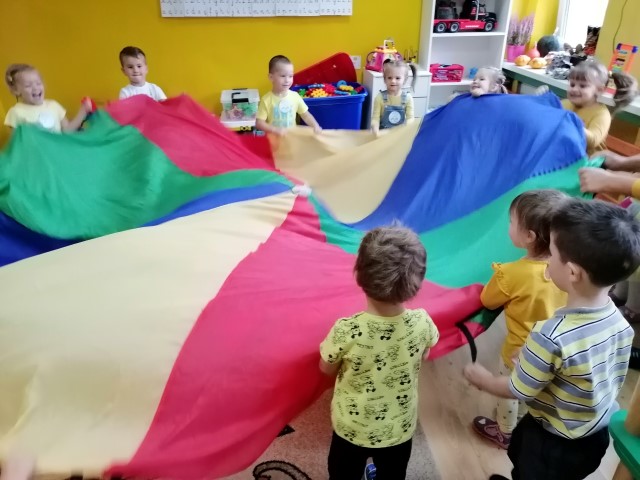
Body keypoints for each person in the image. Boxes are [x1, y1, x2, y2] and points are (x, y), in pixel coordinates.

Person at [464, 198, 640, 480]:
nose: (547, 260)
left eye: (553, 254)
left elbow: (518, 390)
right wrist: (538, 359)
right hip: (594, 435)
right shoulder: (620, 322)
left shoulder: (550, 335)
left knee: (528, 471)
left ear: (572, 272)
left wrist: (482, 379)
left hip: (552, 442)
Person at [319, 226, 439, 480]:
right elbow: (425, 354)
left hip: (351, 428)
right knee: (393, 474)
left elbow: (325, 368)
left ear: (358, 274)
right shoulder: (422, 323)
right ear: (418, 282)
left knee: (342, 474)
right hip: (399, 427)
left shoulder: (347, 330)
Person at [472, 190, 568, 450]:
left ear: (529, 236)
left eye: (511, 222)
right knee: (536, 387)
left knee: (511, 390)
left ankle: (505, 432)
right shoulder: (570, 270)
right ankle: (527, 420)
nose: (508, 227)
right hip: (556, 351)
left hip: (519, 351)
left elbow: (488, 300)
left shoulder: (512, 274)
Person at [561, 60, 637, 155]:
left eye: (583, 86)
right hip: (564, 154)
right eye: (572, 84)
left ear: (599, 90)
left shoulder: (601, 114)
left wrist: (572, 125)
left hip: (588, 160)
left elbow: (593, 141)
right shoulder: (564, 103)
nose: (574, 89)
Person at [4, 64, 90, 132]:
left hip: (58, 147)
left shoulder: (53, 105)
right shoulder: (16, 112)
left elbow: (67, 131)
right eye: (28, 85)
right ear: (16, 91)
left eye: (38, 83)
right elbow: (17, 143)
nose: (35, 88)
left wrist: (83, 112)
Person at [255, 55, 321, 136]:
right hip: (274, 139)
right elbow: (259, 123)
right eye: (283, 76)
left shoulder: (295, 96)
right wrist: (275, 130)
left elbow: (306, 115)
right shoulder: (266, 99)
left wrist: (315, 125)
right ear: (271, 77)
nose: (287, 80)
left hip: (291, 137)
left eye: (290, 76)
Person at [370, 60, 417, 135]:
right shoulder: (379, 98)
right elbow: (375, 119)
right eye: (389, 78)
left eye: (397, 78)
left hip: (400, 135)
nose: (393, 81)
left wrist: (407, 128)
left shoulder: (408, 98)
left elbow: (410, 118)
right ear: (385, 79)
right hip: (383, 135)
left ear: (404, 80)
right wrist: (376, 131)